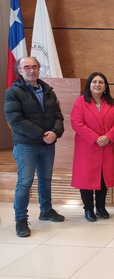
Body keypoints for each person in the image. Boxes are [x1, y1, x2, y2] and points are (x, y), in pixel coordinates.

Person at [4, 57, 65, 237]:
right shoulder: (13, 92)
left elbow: (58, 116)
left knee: (45, 179)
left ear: (39, 69)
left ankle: (46, 210)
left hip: (47, 144)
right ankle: (21, 220)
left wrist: (55, 132)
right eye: (27, 67)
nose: (32, 70)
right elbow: (15, 120)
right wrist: (42, 135)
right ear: (20, 71)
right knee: (25, 182)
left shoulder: (48, 91)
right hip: (26, 145)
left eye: (35, 67)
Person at [70, 72, 114, 222]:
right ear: (89, 85)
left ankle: (101, 207)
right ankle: (88, 209)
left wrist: (109, 137)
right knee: (86, 179)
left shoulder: (112, 104)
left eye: (101, 82)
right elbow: (76, 123)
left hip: (105, 147)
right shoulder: (80, 102)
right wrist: (95, 138)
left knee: (103, 178)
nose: (97, 84)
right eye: (94, 82)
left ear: (105, 86)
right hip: (87, 147)